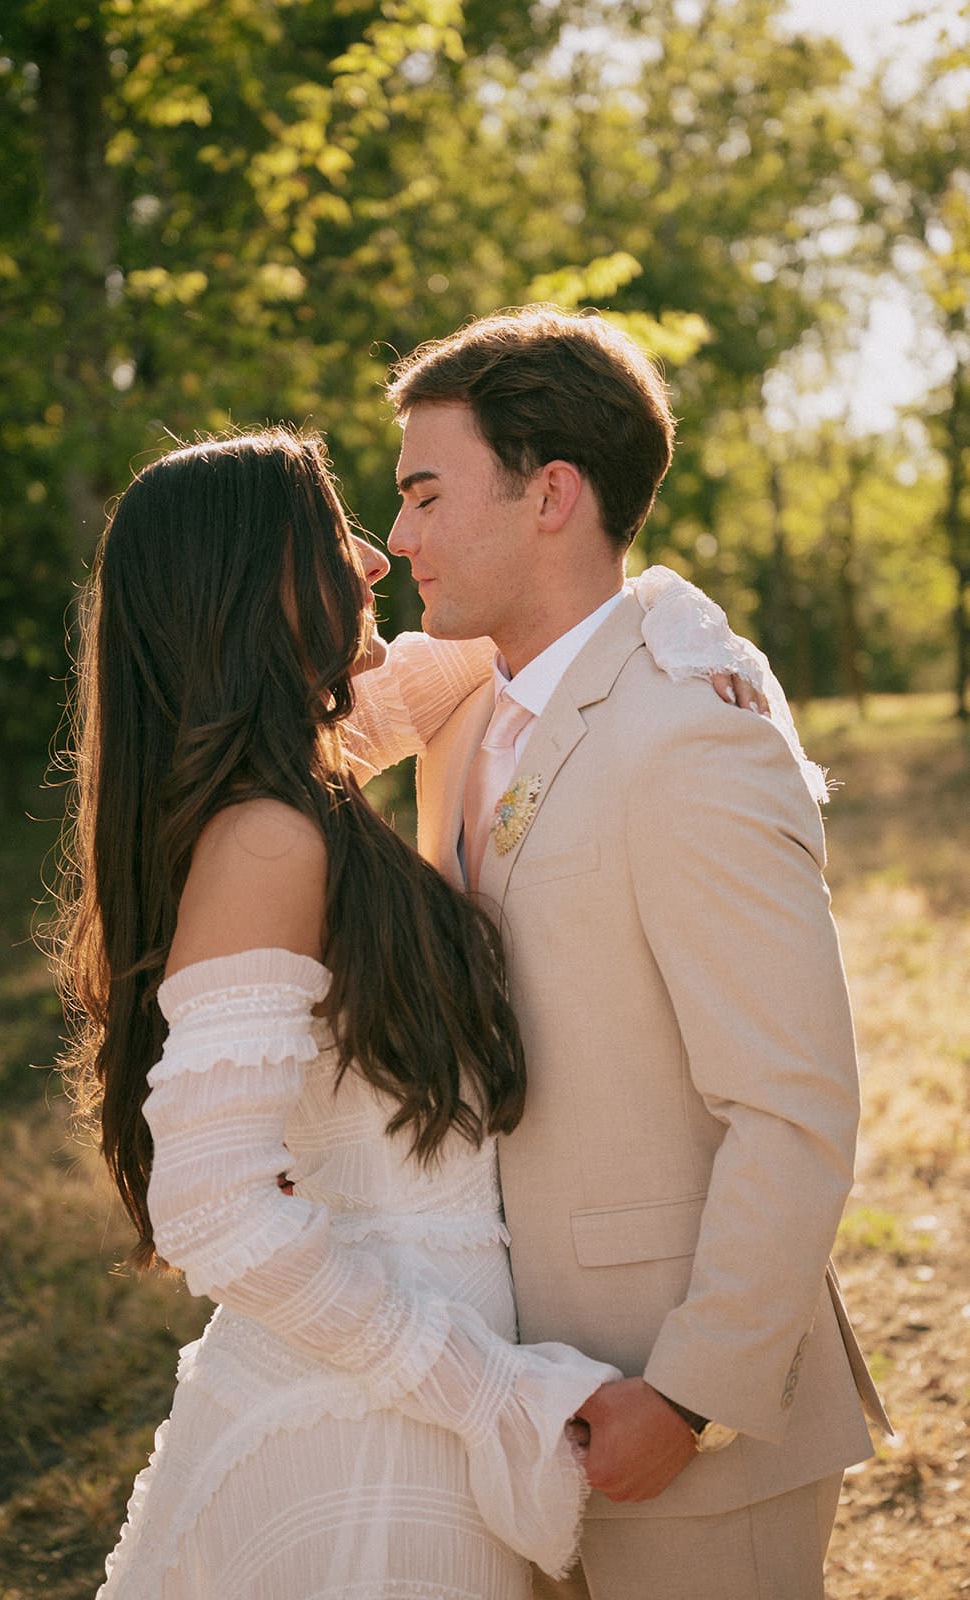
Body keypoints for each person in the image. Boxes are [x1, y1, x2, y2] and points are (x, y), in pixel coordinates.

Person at [54, 427, 766, 1600]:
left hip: (400, 1407)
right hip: (370, 1442)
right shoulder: (267, 835)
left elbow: (522, 635)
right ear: (259, 578)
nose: (378, 559)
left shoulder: (291, 774)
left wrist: (689, 634)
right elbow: (214, 1209)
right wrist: (492, 1388)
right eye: (335, 530)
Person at [344, 305, 891, 1600]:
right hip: (518, 1402)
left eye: (423, 495)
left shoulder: (694, 730)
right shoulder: (468, 688)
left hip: (680, 1423)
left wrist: (691, 1394)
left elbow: (794, 1106)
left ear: (551, 494)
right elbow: (251, 748)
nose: (398, 539)